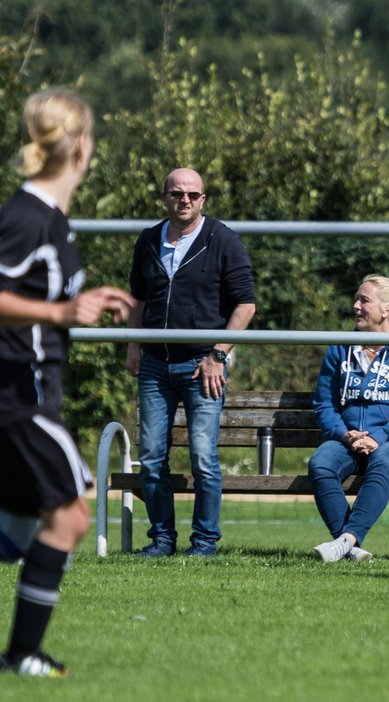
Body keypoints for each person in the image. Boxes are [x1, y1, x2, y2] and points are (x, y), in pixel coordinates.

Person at [0, 89, 134, 678]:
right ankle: (24, 654)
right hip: (16, 397)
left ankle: (22, 654)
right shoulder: (27, 217)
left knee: (26, 525)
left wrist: (82, 302)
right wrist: (61, 313)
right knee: (71, 517)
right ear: (82, 144)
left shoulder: (52, 219)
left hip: (33, 392)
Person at [125, 167, 256, 558]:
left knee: (203, 457)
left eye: (192, 195)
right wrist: (134, 345)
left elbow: (245, 305)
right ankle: (161, 539)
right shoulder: (148, 240)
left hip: (203, 365)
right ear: (164, 197)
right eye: (177, 194)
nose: (184, 200)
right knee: (150, 457)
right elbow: (138, 300)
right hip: (154, 365)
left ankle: (204, 543)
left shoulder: (223, 240)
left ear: (204, 199)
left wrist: (218, 354)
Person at [310, 275, 389, 562]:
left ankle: (346, 540)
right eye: (357, 299)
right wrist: (344, 434)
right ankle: (349, 547)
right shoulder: (340, 348)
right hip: (348, 440)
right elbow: (323, 404)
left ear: (386, 309)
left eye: (364, 300)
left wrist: (379, 437)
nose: (356, 306)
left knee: (384, 458)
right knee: (320, 463)